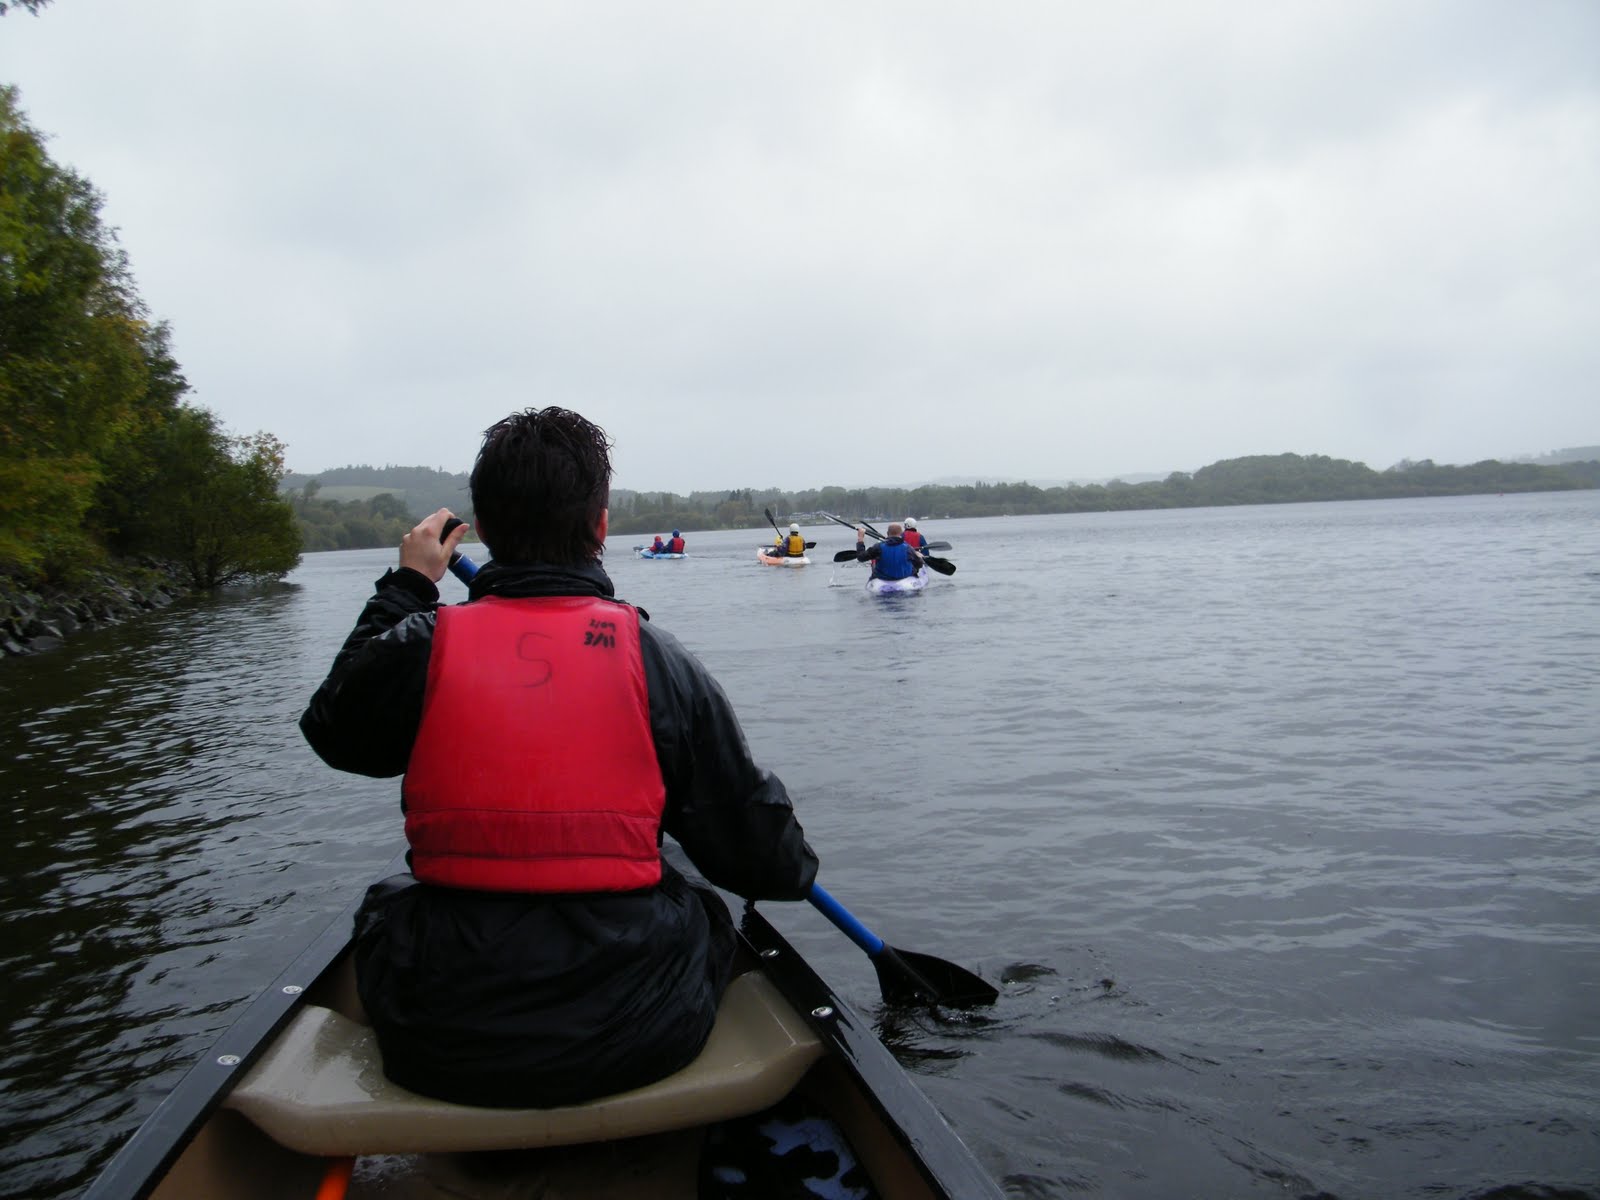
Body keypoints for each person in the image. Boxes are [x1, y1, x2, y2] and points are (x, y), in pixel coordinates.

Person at [299, 407, 818, 1109]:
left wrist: (408, 587)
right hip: (642, 1035)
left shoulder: (421, 642)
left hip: (442, 1039)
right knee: (692, 879)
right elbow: (770, 868)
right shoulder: (661, 664)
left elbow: (334, 733)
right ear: (600, 526)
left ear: (482, 528)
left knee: (388, 906)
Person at [855, 521, 924, 581]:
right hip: (905, 579)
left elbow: (861, 557)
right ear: (901, 534)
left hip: (882, 580)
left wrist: (860, 538)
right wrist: (919, 557)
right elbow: (919, 564)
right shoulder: (908, 548)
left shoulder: (878, 547)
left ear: (887, 533)